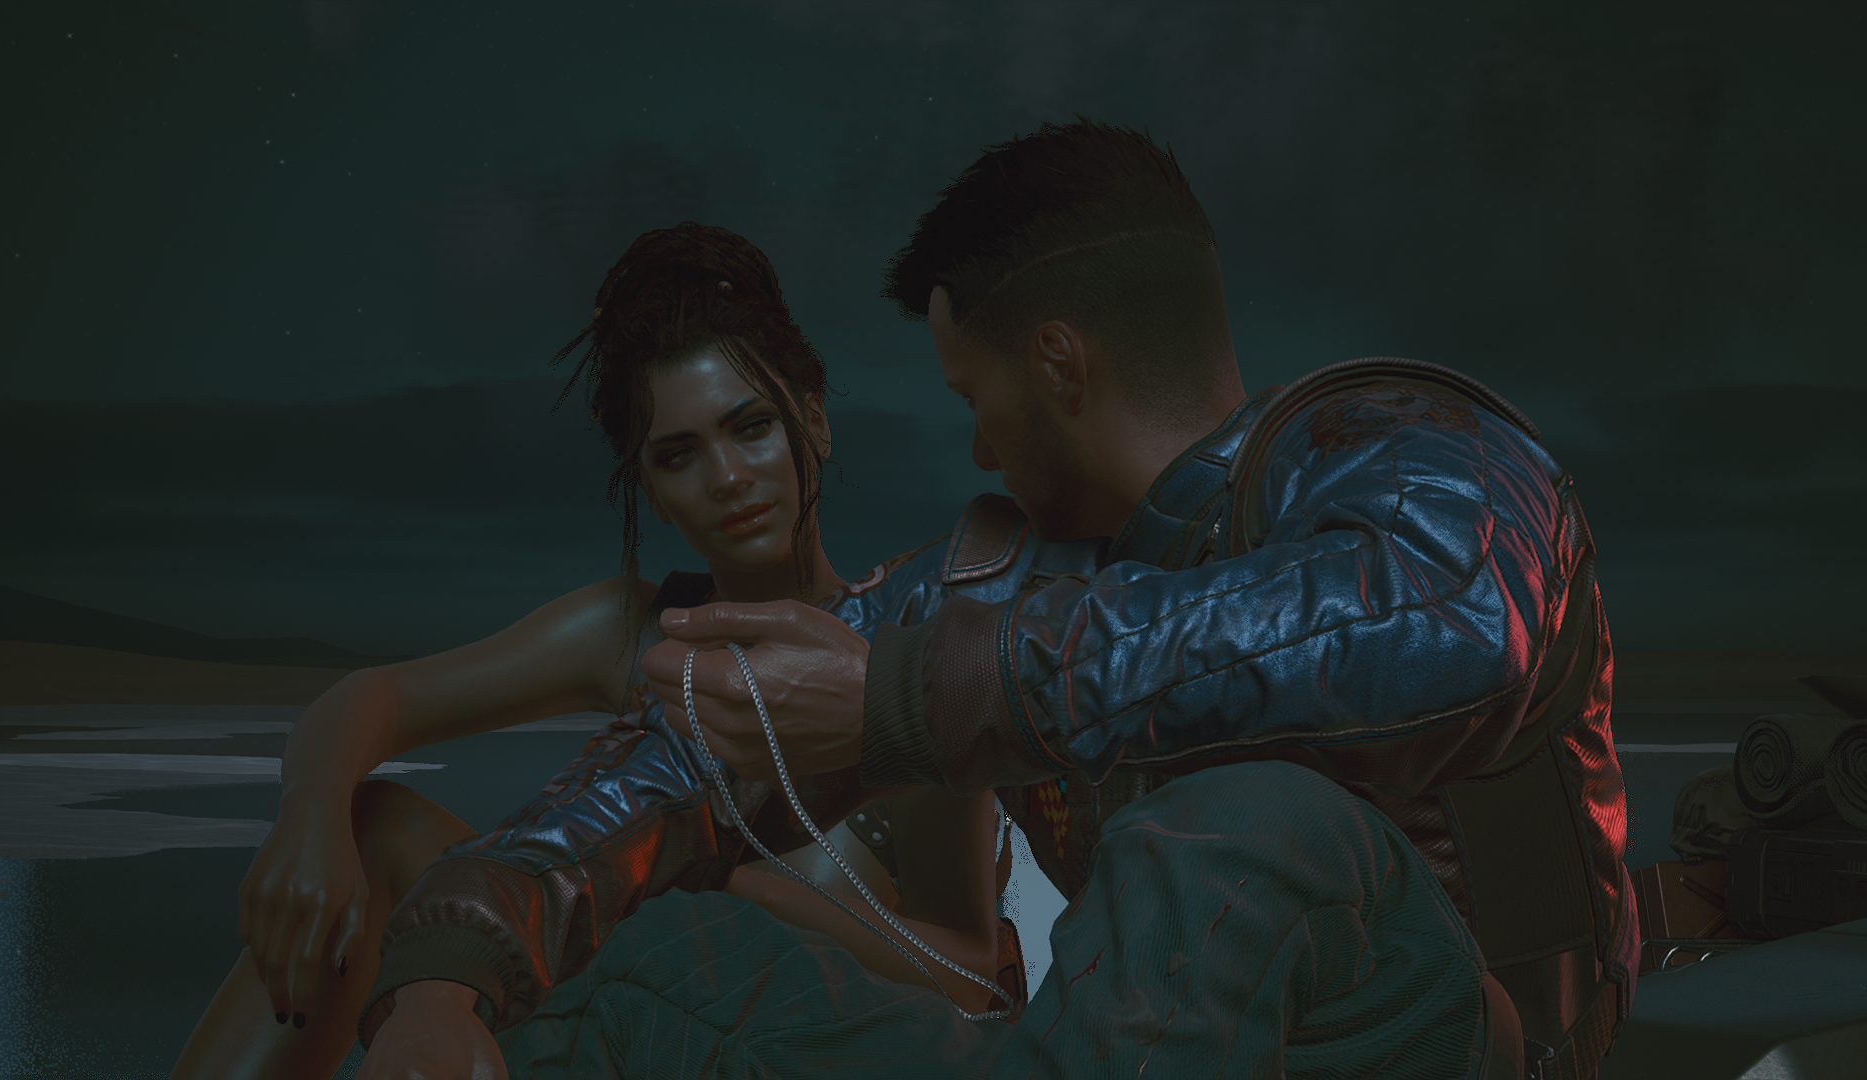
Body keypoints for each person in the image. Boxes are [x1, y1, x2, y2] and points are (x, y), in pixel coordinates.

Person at [358, 120, 1624, 1080]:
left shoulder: (1414, 458)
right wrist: (448, 972)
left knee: (1245, 820)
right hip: (1119, 1048)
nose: (974, 448)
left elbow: (1446, 628)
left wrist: (921, 696)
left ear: (1059, 365)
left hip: (1454, 1038)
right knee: (645, 970)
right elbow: (672, 772)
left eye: (976, 399)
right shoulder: (989, 583)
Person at [167, 223, 1012, 1080]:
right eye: (679, 455)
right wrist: (309, 821)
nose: (727, 477)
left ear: (815, 424)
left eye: (752, 427)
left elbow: (971, 977)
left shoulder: (891, 660)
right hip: (590, 995)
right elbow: (372, 699)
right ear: (654, 491)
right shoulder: (632, 632)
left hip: (778, 1034)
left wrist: (734, 895)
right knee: (374, 827)